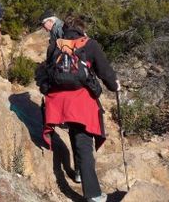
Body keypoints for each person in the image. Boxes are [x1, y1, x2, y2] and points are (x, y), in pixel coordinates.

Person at [41, 14, 120, 202]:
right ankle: (92, 194)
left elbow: (49, 71)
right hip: (81, 102)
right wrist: (114, 85)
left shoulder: (55, 44)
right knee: (84, 143)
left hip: (59, 102)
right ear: (82, 29)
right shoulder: (89, 44)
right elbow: (105, 71)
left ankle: (78, 172)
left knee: (74, 133)